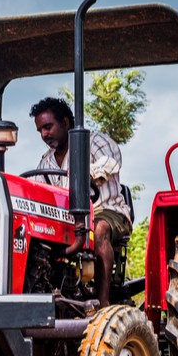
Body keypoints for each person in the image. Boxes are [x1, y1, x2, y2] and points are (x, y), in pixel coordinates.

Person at [29, 97, 132, 307]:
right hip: (65, 220)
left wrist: (84, 175)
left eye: (48, 127)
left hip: (106, 209)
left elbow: (111, 161)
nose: (44, 135)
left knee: (99, 228)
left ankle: (103, 304)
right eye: (40, 130)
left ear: (65, 123)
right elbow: (37, 188)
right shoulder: (46, 160)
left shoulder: (95, 142)